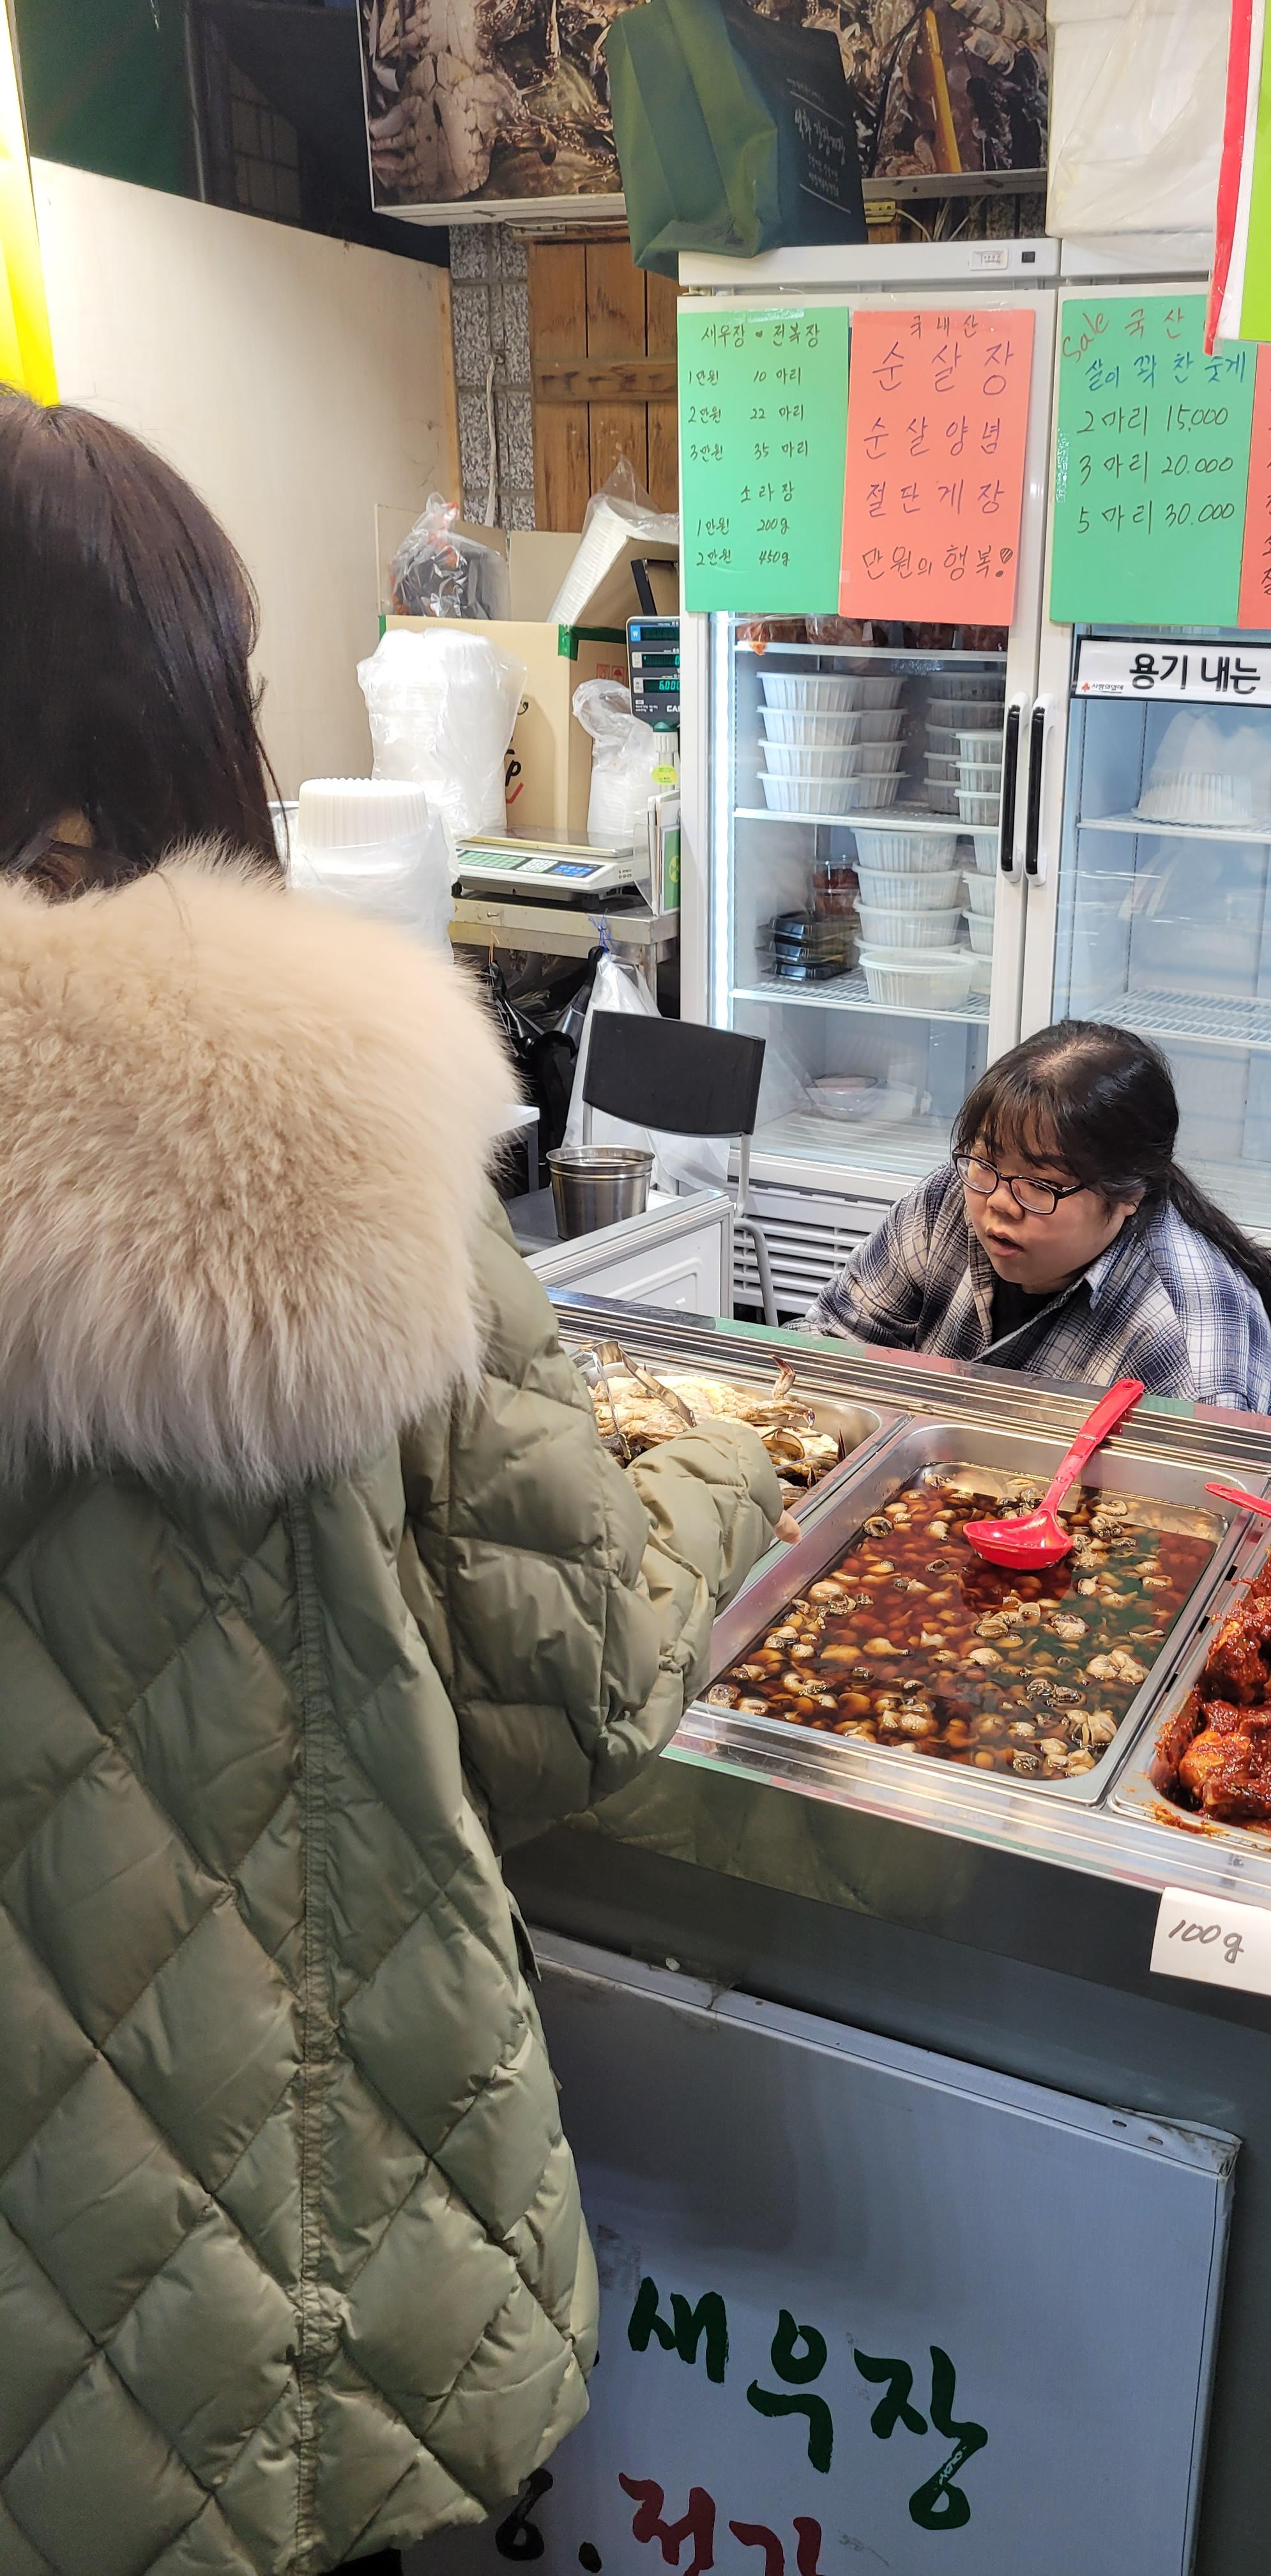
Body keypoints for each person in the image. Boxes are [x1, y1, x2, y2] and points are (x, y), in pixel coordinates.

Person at [0, 398, 789, 2575]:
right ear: (152, 738)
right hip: (226, 2294)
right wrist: (727, 1472)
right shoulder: (307, 1116)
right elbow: (566, 1684)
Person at [802, 1021, 1271, 1413]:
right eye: (986, 1159)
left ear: (1128, 1192)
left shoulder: (1188, 1340)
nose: (1000, 1202)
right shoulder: (952, 1197)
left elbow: (1201, 1507)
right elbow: (830, 1346)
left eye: (1040, 1184)